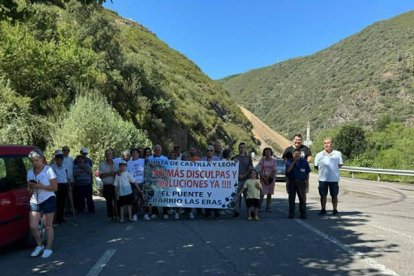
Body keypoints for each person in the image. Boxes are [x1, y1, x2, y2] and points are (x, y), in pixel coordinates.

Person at [27, 149, 57, 259]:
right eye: (33, 161)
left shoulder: (48, 170)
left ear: (42, 159)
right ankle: (39, 245)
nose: (35, 163)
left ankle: (48, 248)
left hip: (48, 199)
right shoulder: (30, 172)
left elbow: (55, 187)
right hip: (35, 200)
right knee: (33, 226)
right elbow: (29, 190)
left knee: (48, 226)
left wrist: (41, 186)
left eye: (37, 160)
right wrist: (31, 186)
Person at [314, 138, 343, 216]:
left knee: (334, 195)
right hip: (322, 179)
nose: (326, 144)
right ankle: (323, 209)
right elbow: (316, 166)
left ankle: (335, 210)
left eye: (328, 143)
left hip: (334, 179)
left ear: (332, 144)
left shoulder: (338, 154)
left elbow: (340, 165)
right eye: (325, 143)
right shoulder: (319, 155)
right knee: (323, 195)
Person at [286, 148, 311, 219]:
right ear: (292, 154)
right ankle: (291, 214)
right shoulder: (289, 161)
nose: (297, 155)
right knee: (291, 199)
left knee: (302, 199)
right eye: (295, 153)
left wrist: (307, 183)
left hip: (301, 182)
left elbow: (307, 173)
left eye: (298, 153)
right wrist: (294, 162)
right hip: (292, 182)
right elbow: (288, 171)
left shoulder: (304, 162)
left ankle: (303, 214)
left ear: (300, 154)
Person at [231, 142, 253, 217]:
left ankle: (249, 211)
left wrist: (244, 174)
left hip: (246, 180)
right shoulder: (234, 158)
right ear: (238, 148)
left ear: (245, 148)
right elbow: (231, 169)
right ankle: (236, 211)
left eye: (243, 147)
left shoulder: (248, 158)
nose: (242, 149)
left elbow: (251, 169)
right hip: (236, 180)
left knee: (247, 196)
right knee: (237, 196)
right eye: (240, 147)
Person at [148, 145, 168, 219]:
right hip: (153, 180)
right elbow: (147, 169)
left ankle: (165, 212)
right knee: (154, 196)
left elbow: (168, 169)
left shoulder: (165, 158)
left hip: (162, 180)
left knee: (163, 196)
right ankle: (154, 212)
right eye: (156, 149)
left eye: (159, 149)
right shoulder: (149, 158)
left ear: (161, 150)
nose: (157, 150)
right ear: (154, 150)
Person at [202, 145, 222, 218]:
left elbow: (226, 167)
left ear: (213, 152)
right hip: (205, 182)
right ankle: (207, 212)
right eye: (207, 150)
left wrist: (234, 163)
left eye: (211, 150)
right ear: (206, 152)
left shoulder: (218, 160)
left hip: (215, 182)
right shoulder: (202, 160)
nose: (209, 152)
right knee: (207, 197)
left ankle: (216, 212)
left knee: (215, 196)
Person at [50, 151, 69, 224]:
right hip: (56, 185)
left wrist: (68, 182)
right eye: (57, 159)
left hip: (64, 185)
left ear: (62, 160)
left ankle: (60, 218)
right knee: (55, 203)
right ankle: (54, 219)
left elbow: (66, 176)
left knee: (62, 203)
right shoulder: (52, 167)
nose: (58, 161)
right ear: (55, 160)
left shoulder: (65, 167)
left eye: (60, 159)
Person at [99, 149, 117, 220]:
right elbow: (101, 176)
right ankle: (110, 215)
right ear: (105, 155)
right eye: (107, 154)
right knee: (109, 201)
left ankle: (116, 214)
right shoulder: (102, 164)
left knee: (116, 200)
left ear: (112, 155)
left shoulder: (116, 164)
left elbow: (119, 173)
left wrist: (115, 173)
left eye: (110, 154)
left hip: (115, 185)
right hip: (107, 185)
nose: (109, 155)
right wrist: (110, 174)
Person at [258, 148, 276, 212]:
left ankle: (268, 207)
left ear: (271, 153)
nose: (267, 153)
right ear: (264, 153)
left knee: (269, 194)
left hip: (271, 179)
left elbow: (274, 170)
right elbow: (259, 171)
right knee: (261, 194)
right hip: (263, 179)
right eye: (266, 152)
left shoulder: (274, 161)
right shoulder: (262, 161)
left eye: (269, 152)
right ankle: (259, 207)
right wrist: (264, 178)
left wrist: (269, 177)